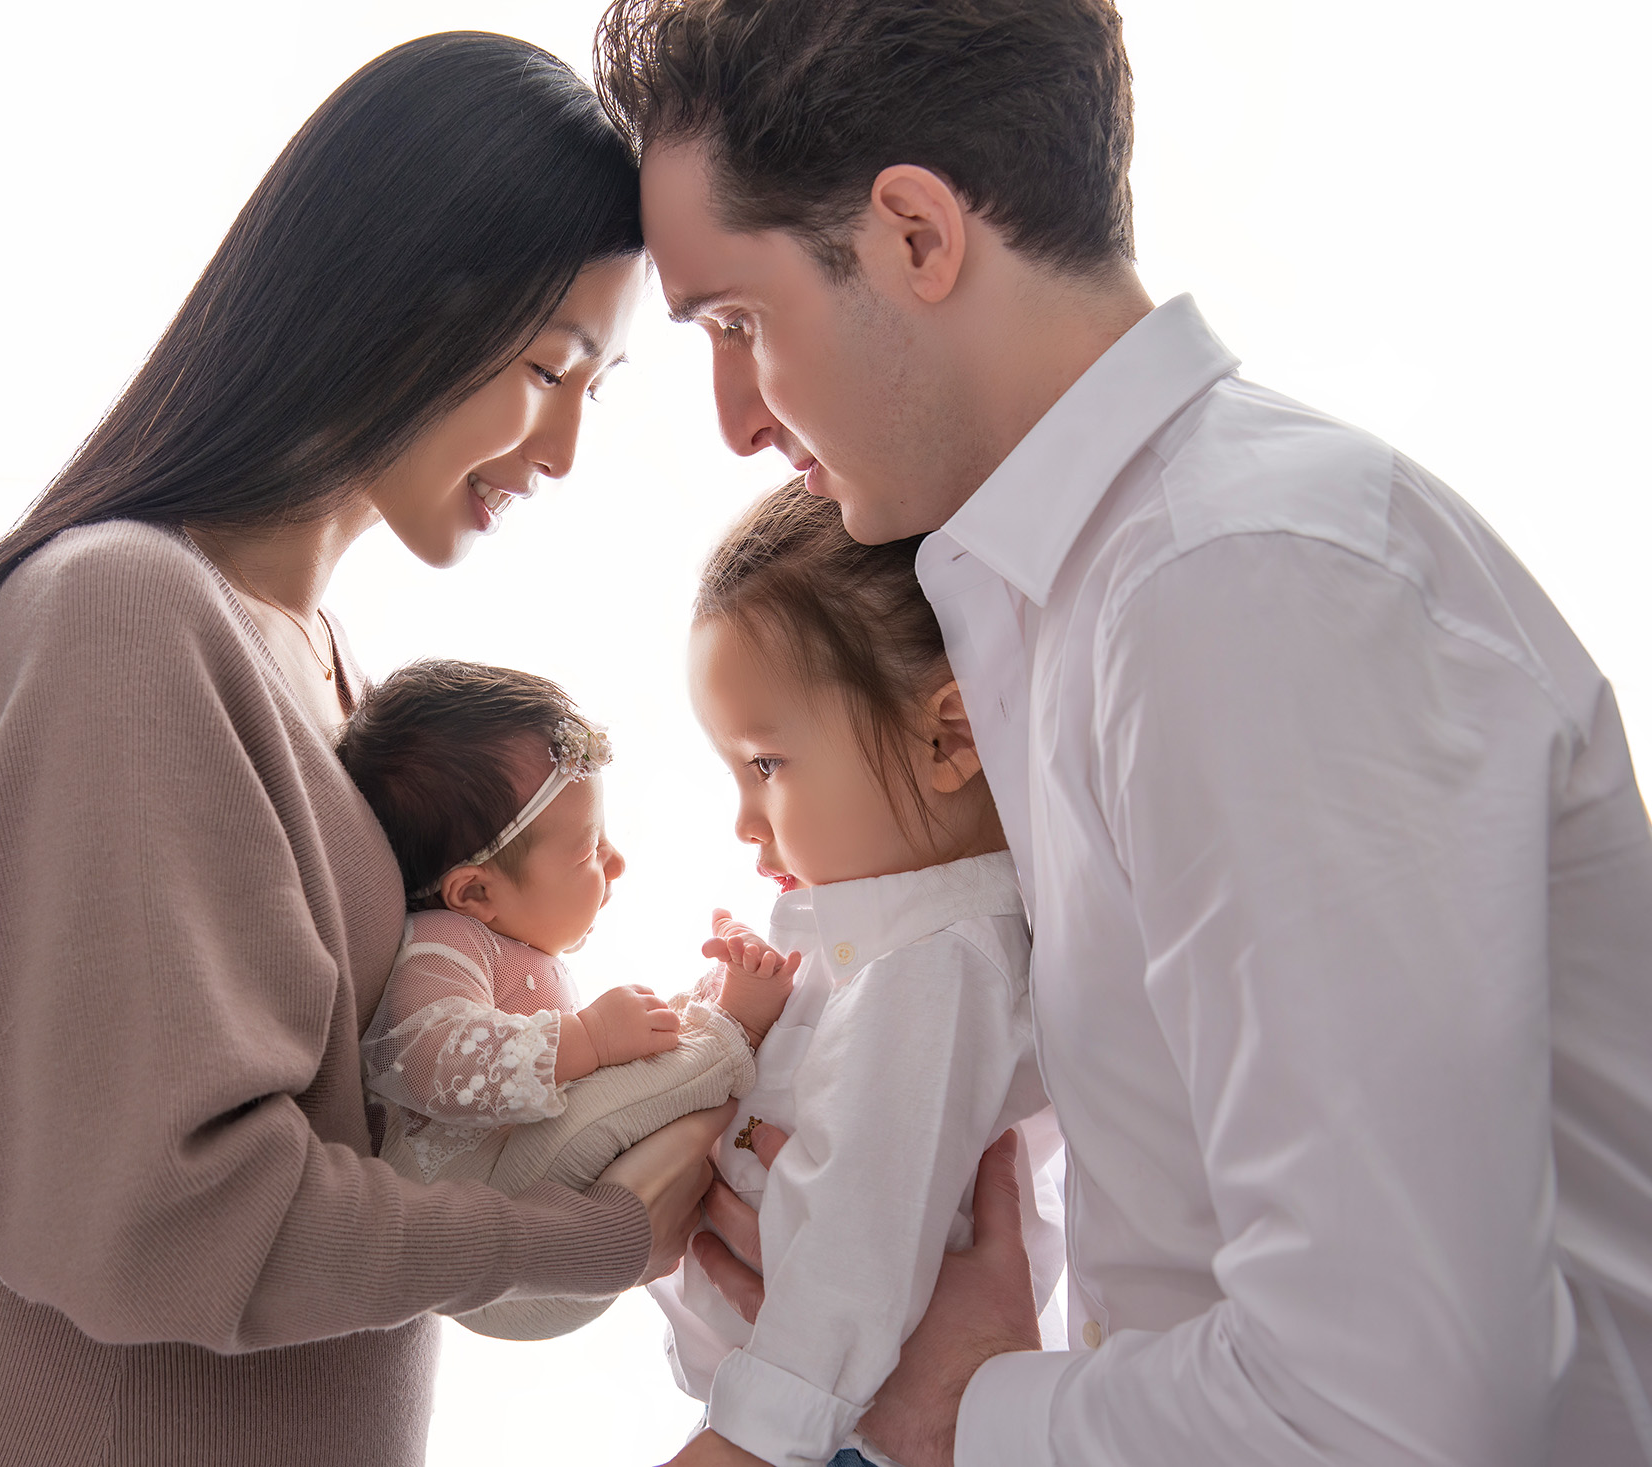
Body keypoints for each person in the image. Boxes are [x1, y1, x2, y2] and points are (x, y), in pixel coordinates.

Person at [593, 1, 1652, 1464]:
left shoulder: (1235, 585)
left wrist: (957, 1416)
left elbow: (1395, 1407)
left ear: (914, 234)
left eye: (736, 321)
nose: (731, 419)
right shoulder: (1073, 603)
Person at [0, 33, 725, 1467]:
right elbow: (175, 1210)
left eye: (600, 386)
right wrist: (584, 1235)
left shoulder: (330, 665)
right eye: (548, 366)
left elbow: (375, 1121)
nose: (566, 450)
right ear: (403, 302)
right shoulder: (124, 613)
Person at [650, 482, 1061, 1467]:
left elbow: (858, 1242)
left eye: (764, 765)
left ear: (945, 738)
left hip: (822, 1431)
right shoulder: (880, 946)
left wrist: (744, 1443)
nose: (745, 821)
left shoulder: (935, 960)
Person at [338, 659, 789, 1188]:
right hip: (479, 1188)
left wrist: (606, 1039)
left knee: (629, 1073)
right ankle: (732, 1028)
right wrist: (589, 1039)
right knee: (615, 1094)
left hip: (520, 1166)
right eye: (588, 852)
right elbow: (426, 1057)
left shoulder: (504, 944)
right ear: (476, 892)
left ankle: (705, 1005)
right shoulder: (447, 941)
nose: (615, 861)